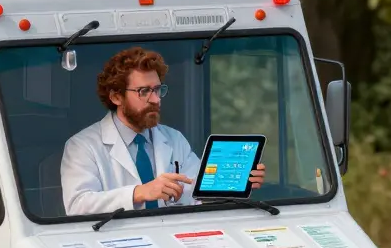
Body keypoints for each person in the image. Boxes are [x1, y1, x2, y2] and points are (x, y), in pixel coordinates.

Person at [59, 46, 265, 216]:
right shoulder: (83, 146)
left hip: (172, 240)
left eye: (158, 90)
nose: (156, 99)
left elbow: (200, 191)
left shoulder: (173, 139)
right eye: (144, 91)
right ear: (116, 97)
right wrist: (139, 193)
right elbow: (78, 205)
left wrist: (237, 182)